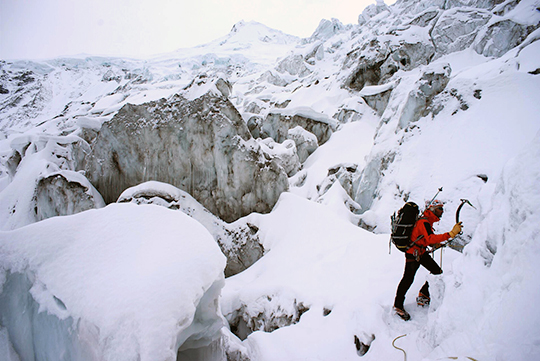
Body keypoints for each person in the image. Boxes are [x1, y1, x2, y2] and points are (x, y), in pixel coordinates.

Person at [393, 199, 462, 321]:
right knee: (408, 279)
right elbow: (430, 238)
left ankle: (424, 294)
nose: (441, 211)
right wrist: (450, 234)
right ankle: (398, 305)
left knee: (436, 272)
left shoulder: (426, 221)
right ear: (432, 209)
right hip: (413, 254)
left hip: (419, 252)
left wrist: (433, 244)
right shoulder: (423, 222)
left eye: (442, 209)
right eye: (439, 209)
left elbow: (422, 237)